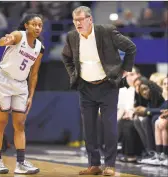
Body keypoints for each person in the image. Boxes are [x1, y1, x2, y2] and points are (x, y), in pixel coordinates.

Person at [62, 6, 136, 176]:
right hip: (85, 87)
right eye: (75, 20)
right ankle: (94, 164)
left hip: (107, 86)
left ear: (90, 19)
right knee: (89, 128)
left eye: (81, 20)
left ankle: (109, 165)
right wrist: (73, 74)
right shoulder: (72, 36)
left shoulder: (107, 31)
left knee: (109, 126)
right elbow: (66, 56)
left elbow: (131, 48)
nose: (78, 23)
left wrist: (124, 71)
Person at [0, 14, 44, 174]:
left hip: (21, 85)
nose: (37, 27)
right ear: (26, 25)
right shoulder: (18, 35)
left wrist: (31, 96)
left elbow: (34, 74)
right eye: (34, 24)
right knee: (1, 122)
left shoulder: (40, 47)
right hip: (4, 81)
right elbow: (3, 41)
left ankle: (20, 163)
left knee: (20, 124)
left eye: (40, 25)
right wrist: (4, 40)